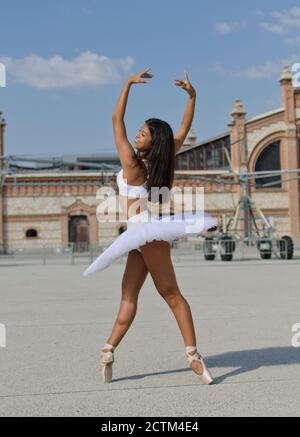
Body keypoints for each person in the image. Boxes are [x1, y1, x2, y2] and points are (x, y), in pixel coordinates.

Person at [84, 68, 217, 385]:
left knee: (165, 296)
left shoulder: (132, 162)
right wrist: (193, 97)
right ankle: (109, 351)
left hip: (143, 233)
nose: (137, 134)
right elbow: (183, 128)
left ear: (152, 142)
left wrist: (126, 85)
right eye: (139, 131)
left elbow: (117, 121)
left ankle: (192, 356)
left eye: (143, 133)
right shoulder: (163, 159)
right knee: (146, 297)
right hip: (144, 236)